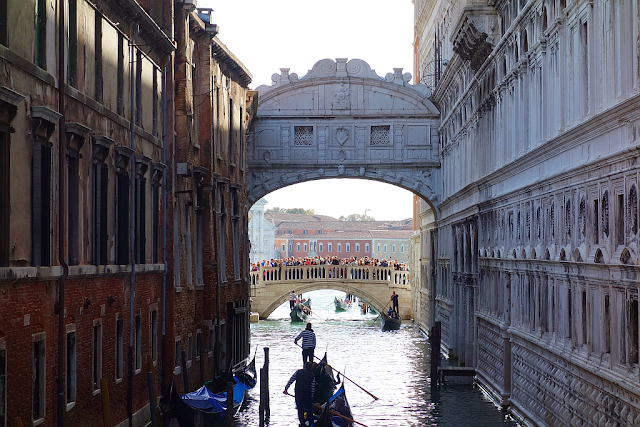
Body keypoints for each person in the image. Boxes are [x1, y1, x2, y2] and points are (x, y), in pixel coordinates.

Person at [284, 361, 316, 427]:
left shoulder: (298, 372)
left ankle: (302, 424)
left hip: (298, 394)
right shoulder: (312, 375)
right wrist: (312, 398)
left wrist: (286, 389)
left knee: (300, 409)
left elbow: (291, 380)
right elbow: (313, 388)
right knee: (309, 410)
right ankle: (311, 424)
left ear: (304, 366)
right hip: (307, 395)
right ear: (310, 368)